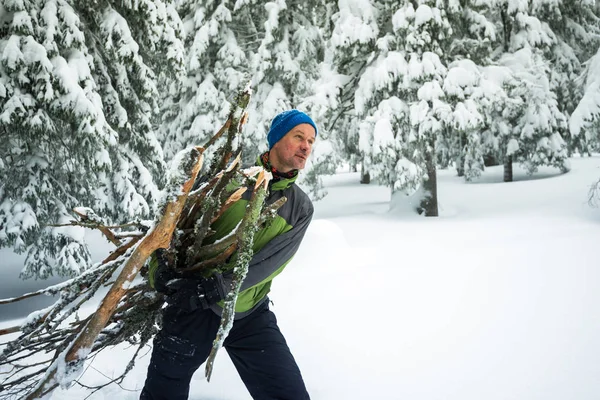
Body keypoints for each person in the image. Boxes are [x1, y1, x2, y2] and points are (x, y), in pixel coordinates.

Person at [140, 110, 317, 400]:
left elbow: (270, 263)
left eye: (310, 141)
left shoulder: (300, 207)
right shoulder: (229, 181)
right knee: (163, 393)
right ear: (275, 140)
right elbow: (169, 229)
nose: (306, 146)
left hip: (248, 312)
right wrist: (159, 272)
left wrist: (219, 287)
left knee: (289, 393)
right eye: (298, 137)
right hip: (195, 306)